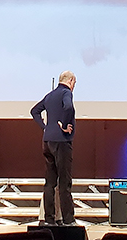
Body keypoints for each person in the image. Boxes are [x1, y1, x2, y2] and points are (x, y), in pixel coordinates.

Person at [31, 71, 77, 225]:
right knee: (64, 182)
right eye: (74, 84)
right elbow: (69, 108)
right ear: (70, 81)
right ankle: (68, 220)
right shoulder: (66, 93)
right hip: (61, 142)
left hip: (47, 141)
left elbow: (34, 111)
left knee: (50, 183)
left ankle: (49, 219)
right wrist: (64, 125)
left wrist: (45, 127)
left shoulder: (49, 95)